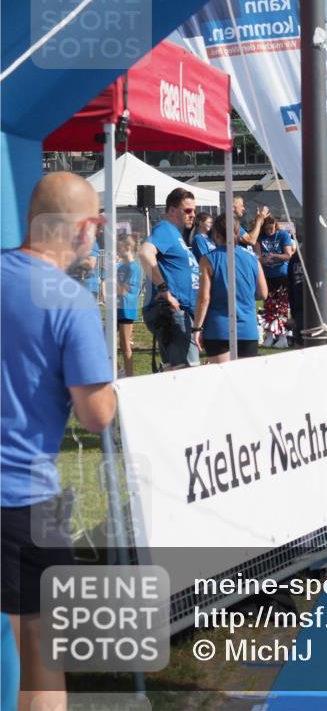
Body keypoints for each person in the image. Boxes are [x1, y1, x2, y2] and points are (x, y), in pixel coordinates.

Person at [1, 173, 117, 711]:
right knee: (43, 652)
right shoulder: (69, 302)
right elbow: (98, 416)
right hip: (28, 496)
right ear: (81, 229)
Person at [138, 188, 201, 370]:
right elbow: (145, 253)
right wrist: (164, 289)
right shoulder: (165, 229)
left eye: (194, 211)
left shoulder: (176, 234)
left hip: (179, 311)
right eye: (188, 210)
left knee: (175, 370)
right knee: (188, 371)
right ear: (172, 210)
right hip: (173, 311)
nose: (193, 215)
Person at [193, 215, 268, 363]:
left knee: (222, 381)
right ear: (237, 231)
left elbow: (204, 298)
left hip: (218, 329)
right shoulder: (252, 258)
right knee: (244, 382)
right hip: (247, 328)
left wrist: (196, 328)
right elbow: (263, 293)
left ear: (215, 234)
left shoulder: (207, 259)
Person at [116, 236, 142, 377]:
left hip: (127, 309)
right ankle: (119, 370)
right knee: (105, 340)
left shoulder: (134, 268)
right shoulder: (120, 266)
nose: (116, 251)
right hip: (116, 308)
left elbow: (123, 291)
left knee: (125, 345)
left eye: (119, 248)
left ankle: (130, 376)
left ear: (127, 249)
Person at [256, 216, 296, 292]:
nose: (269, 231)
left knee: (283, 301)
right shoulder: (260, 238)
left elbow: (288, 255)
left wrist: (274, 256)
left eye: (271, 228)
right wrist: (264, 260)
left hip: (282, 274)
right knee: (270, 301)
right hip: (267, 275)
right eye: (266, 229)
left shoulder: (283, 235)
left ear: (275, 225)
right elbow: (258, 259)